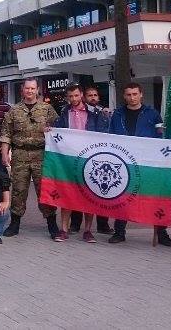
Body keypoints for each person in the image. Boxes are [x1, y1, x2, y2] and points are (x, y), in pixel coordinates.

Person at [106, 82, 171, 246]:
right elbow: (111, 136)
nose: (132, 97)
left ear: (141, 94)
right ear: (124, 96)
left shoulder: (153, 114)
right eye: (128, 94)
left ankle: (161, 232)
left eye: (135, 94)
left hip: (147, 163)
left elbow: (161, 137)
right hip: (124, 163)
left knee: (154, 197)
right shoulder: (118, 114)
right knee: (123, 197)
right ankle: (119, 231)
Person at [0, 78, 59, 238]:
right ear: (23, 90)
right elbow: (6, 133)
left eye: (33, 88)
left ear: (37, 90)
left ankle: (52, 225)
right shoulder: (14, 110)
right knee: (18, 190)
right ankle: (14, 224)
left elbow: (58, 130)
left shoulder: (47, 109)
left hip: (41, 155)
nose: (30, 91)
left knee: (44, 189)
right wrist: (5, 154)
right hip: (19, 155)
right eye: (27, 88)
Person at [51, 84, 108, 243]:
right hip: (69, 159)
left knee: (89, 195)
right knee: (66, 193)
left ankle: (88, 231)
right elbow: (58, 130)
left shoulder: (96, 113)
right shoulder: (64, 112)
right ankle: (63, 229)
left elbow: (103, 134)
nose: (73, 99)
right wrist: (50, 131)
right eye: (70, 96)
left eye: (76, 96)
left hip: (90, 159)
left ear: (81, 95)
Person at [73, 86, 113, 234]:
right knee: (78, 191)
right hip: (80, 155)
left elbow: (108, 132)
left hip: (99, 158)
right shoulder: (75, 111)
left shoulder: (104, 113)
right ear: (84, 97)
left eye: (95, 95)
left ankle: (103, 225)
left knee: (101, 191)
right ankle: (75, 224)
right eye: (90, 95)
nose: (93, 98)